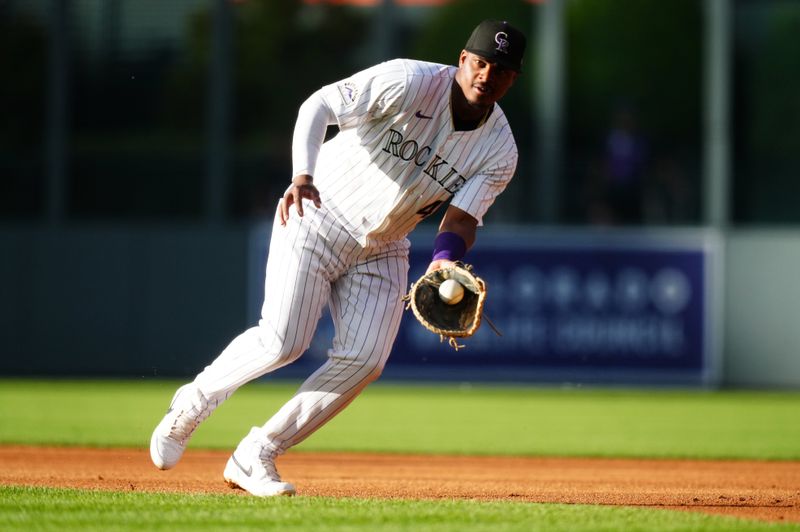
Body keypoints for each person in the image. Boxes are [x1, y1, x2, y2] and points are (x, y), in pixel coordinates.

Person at [150, 19, 526, 497]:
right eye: (481, 62)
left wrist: (442, 262)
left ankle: (258, 452)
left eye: (501, 70)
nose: (487, 75)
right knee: (282, 341)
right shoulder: (409, 80)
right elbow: (320, 105)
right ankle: (194, 403)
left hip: (385, 246)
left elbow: (461, 218)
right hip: (318, 212)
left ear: (513, 79)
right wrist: (302, 174)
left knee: (365, 360)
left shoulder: (500, 149)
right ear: (462, 59)